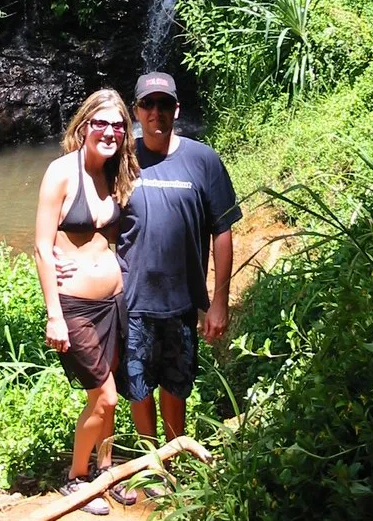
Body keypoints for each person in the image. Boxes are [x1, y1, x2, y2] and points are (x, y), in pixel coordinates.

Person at [55, 72, 242, 500]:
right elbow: (81, 205)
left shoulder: (203, 160)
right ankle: (150, 463)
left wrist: (219, 302)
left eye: (164, 105)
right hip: (130, 302)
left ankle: (174, 462)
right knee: (138, 388)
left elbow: (223, 231)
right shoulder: (121, 159)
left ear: (176, 109)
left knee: (176, 386)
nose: (156, 113)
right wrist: (62, 255)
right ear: (136, 112)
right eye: (147, 105)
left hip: (181, 302)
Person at [34, 88, 139, 515]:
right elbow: (42, 246)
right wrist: (54, 315)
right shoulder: (61, 172)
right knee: (106, 396)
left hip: (114, 303)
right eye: (102, 123)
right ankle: (76, 481)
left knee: (104, 394)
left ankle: (105, 471)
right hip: (75, 308)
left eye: (118, 125)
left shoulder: (116, 174)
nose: (110, 132)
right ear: (84, 126)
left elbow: (107, 238)